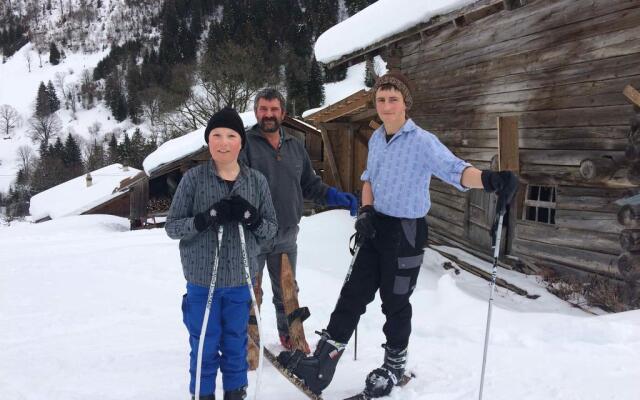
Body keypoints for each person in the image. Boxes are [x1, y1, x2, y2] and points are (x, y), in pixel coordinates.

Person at [278, 72, 519, 397]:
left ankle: (393, 367)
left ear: (405, 103)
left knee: (395, 304)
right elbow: (368, 181)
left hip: (406, 233)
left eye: (393, 99)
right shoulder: (377, 139)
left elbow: (455, 170)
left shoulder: (422, 141)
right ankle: (323, 363)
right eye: (381, 99)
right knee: (351, 296)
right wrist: (365, 211)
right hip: (375, 227)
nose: (387, 105)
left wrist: (489, 180)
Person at [165, 107, 277, 400]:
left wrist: (252, 218)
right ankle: (202, 395)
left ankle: (235, 394)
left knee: (235, 344)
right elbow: (173, 227)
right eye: (216, 135)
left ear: (241, 142)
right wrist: (204, 219)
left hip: (240, 281)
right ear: (208, 140)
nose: (223, 142)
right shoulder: (193, 180)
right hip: (203, 281)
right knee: (204, 342)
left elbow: (271, 230)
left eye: (230, 136)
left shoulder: (256, 182)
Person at [240, 88, 358, 351]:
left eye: (273, 109)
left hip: (287, 235)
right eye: (263, 109)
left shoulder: (295, 146)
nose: (268, 115)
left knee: (287, 292)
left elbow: (310, 185)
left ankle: (290, 336)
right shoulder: (244, 145)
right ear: (256, 112)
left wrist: (337, 197)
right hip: (253, 236)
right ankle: (247, 341)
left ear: (283, 113)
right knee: (250, 294)